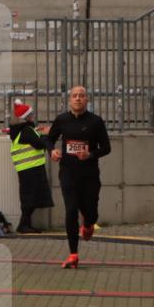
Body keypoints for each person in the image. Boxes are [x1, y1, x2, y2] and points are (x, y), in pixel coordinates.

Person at [44, 86, 111, 268]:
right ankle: (73, 254)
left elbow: (106, 148)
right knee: (71, 210)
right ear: (69, 100)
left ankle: (88, 225)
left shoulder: (95, 122)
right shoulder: (62, 120)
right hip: (68, 173)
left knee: (91, 213)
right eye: (74, 96)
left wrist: (89, 155)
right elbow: (48, 140)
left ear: (87, 100)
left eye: (81, 96)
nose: (78, 99)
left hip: (89, 175)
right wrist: (53, 151)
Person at [9, 100, 53, 233]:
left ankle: (25, 224)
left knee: (31, 197)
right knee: (30, 198)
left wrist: (38, 132)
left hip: (29, 169)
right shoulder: (26, 131)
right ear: (26, 117)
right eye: (31, 114)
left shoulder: (25, 130)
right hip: (30, 169)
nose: (33, 116)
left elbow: (34, 140)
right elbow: (39, 144)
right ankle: (23, 225)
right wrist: (45, 134)